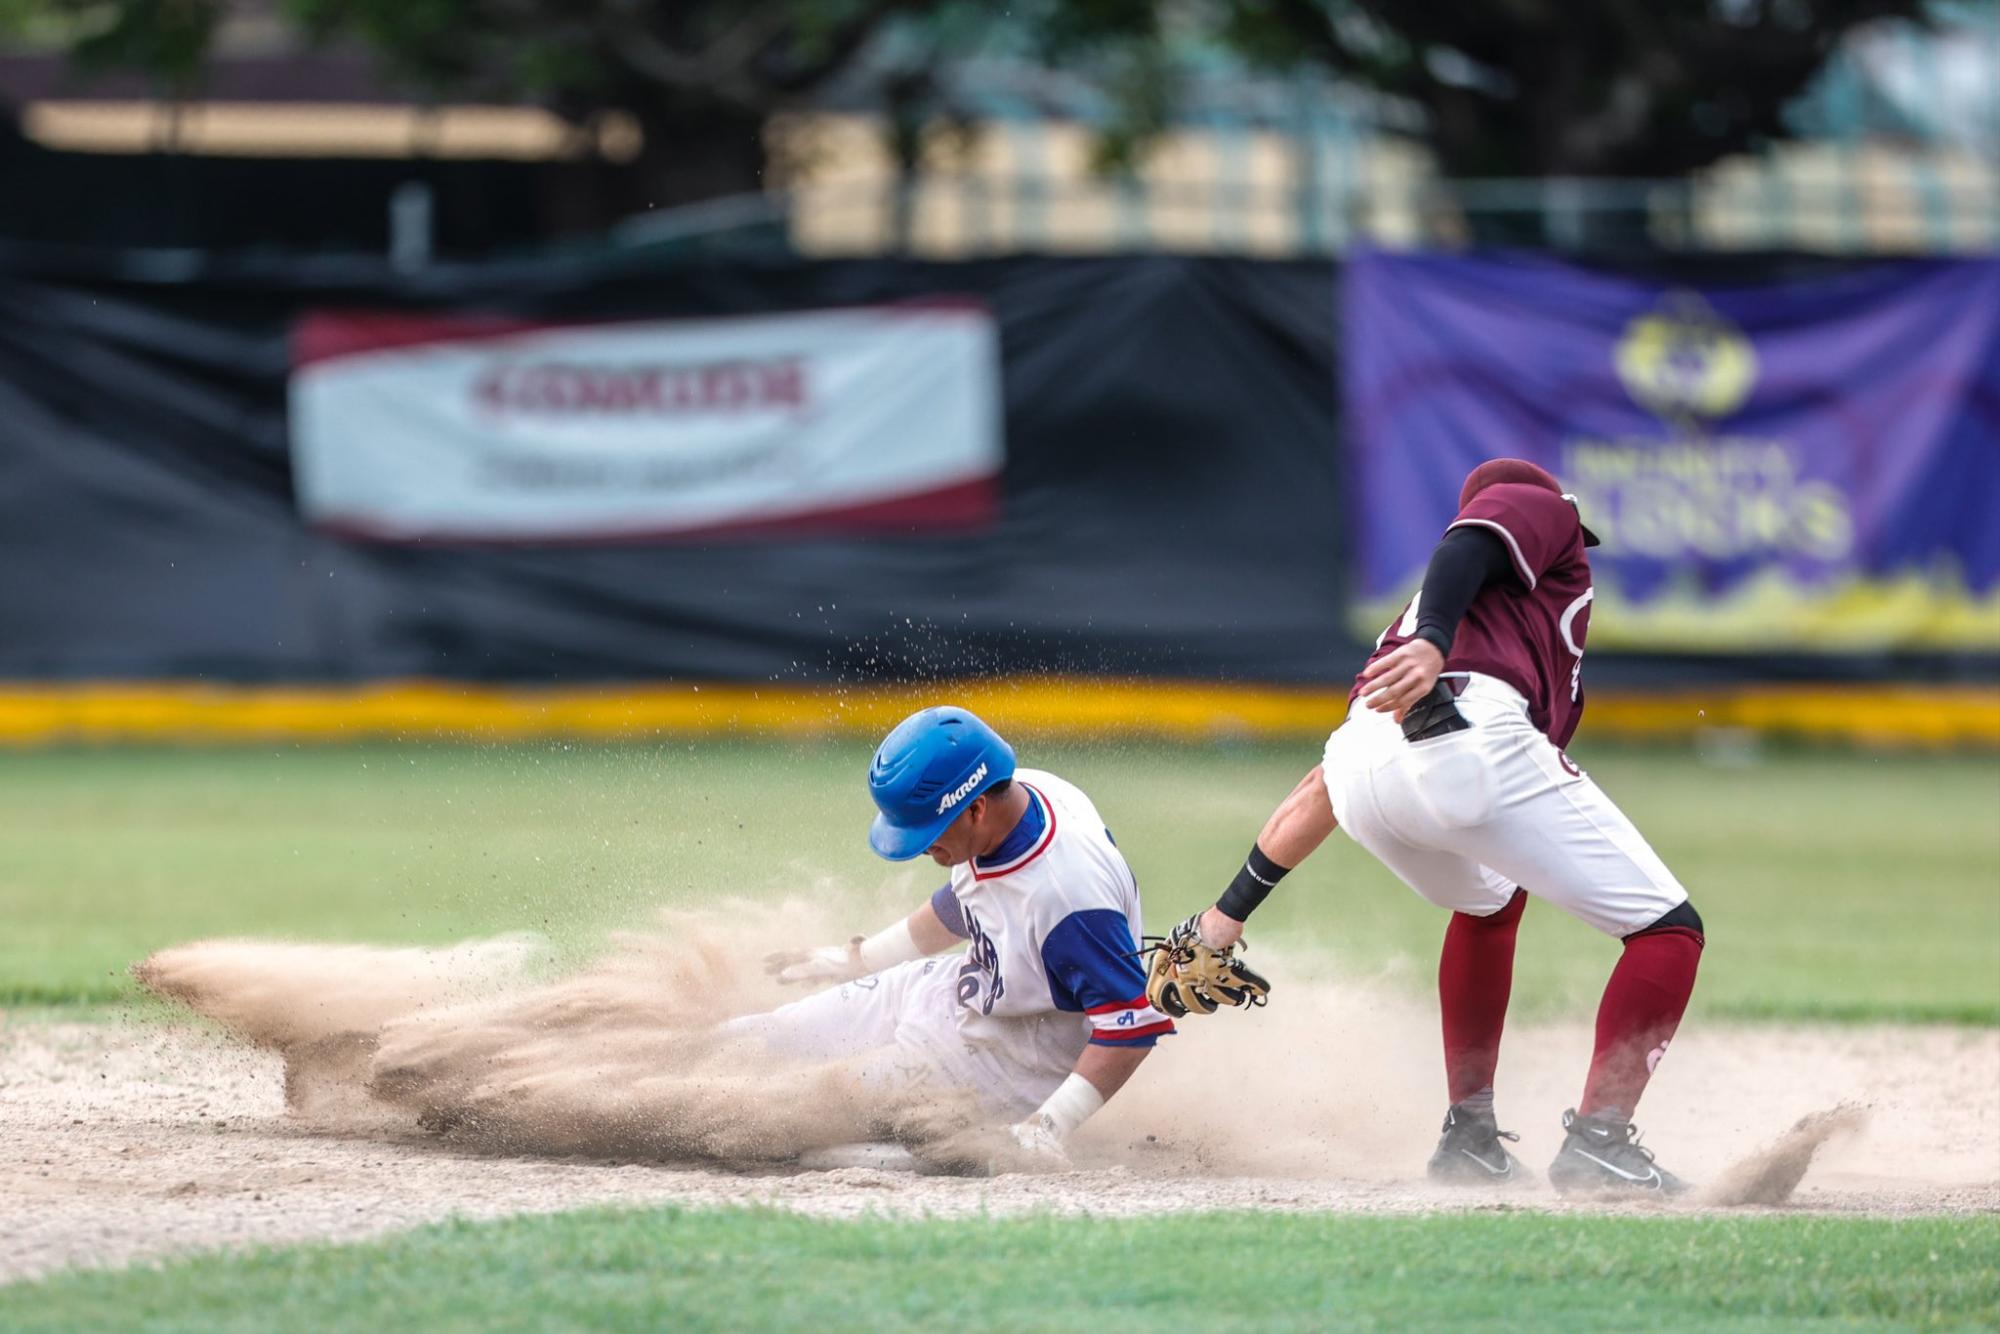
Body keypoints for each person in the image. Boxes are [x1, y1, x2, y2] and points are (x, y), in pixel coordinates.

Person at [1184, 458, 1705, 1195]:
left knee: (1491, 900)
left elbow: (1320, 789)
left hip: (1365, 769)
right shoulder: (1522, 518)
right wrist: (1433, 639)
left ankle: (1469, 1136)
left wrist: (1223, 919)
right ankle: (1600, 1142)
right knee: (1669, 930)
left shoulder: (1411, 634)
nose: (1573, 544)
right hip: (1461, 731)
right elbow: (1468, 542)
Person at [745, 704, 1172, 1163]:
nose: (921, 846)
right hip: (949, 989)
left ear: (976, 808)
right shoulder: (1016, 799)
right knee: (764, 1035)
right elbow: (966, 903)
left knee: (802, 1107)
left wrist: (1049, 1126)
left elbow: (1131, 1025)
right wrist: (861, 959)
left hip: (1005, 1063)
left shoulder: (1068, 896)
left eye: (927, 830)